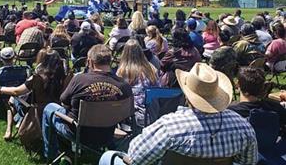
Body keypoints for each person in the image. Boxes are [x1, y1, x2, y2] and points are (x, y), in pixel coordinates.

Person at [99, 63, 258, 165]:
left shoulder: (170, 126)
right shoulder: (243, 126)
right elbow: (249, 162)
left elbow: (135, 158)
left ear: (187, 93)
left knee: (109, 157)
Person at [42, 44, 133, 161]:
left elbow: (63, 100)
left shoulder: (79, 79)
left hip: (77, 132)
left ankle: (50, 156)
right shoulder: (124, 86)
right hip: (108, 134)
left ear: (90, 62)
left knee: (49, 108)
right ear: (110, 62)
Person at [0, 50, 66, 140]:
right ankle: (19, 122)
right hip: (57, 110)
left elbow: (16, 91)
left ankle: (9, 130)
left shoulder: (38, 77)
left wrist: (1, 89)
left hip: (37, 112)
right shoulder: (64, 77)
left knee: (12, 99)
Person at [228, 67, 286, 133]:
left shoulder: (230, 113)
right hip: (271, 142)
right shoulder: (275, 107)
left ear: (238, 85)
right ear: (262, 87)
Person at [117, 39, 160, 127]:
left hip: (134, 116)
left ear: (124, 53)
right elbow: (158, 88)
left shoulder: (123, 71)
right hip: (153, 113)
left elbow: (119, 94)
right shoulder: (151, 68)